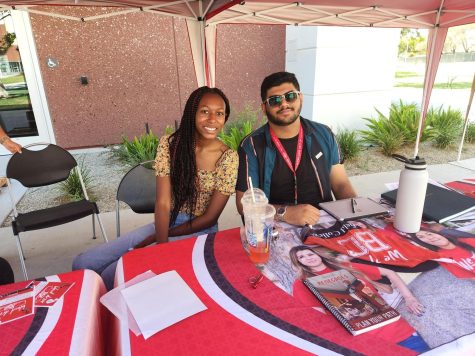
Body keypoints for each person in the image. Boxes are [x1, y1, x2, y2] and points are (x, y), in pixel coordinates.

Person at [73, 86, 238, 289]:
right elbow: (163, 202)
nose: (213, 119)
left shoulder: (228, 157)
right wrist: (161, 241)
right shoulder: (170, 144)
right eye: (205, 111)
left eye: (219, 113)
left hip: (200, 231)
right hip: (166, 220)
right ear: (192, 113)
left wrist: (157, 242)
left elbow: (210, 218)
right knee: (83, 263)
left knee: (112, 274)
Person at [235, 71, 356, 226]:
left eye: (290, 96)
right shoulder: (251, 146)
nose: (284, 104)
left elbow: (340, 183)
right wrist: (284, 213)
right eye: (274, 100)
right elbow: (243, 204)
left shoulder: (324, 134)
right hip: (275, 226)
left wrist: (358, 212)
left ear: (300, 98)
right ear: (264, 108)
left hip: (324, 221)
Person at [289, 245, 429, 352]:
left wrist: (409, 298)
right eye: (301, 257)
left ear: (318, 254)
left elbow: (389, 272)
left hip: (398, 330)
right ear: (298, 262)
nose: (308, 257)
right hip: (366, 342)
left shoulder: (344, 266)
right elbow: (316, 316)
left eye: (310, 253)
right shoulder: (302, 283)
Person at [407, 228, 475, 280]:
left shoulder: (468, 241)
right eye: (421, 237)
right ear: (422, 243)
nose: (430, 237)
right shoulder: (443, 258)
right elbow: (469, 276)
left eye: (429, 234)